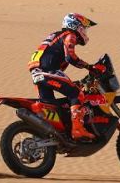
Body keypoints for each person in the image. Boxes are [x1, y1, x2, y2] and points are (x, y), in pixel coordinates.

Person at [27, 13, 105, 141]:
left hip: (38, 74)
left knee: (51, 108)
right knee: (77, 94)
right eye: (83, 27)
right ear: (76, 25)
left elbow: (60, 67)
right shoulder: (70, 35)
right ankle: (78, 130)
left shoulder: (56, 36)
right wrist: (89, 67)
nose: (84, 31)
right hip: (47, 71)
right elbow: (71, 57)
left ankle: (52, 137)